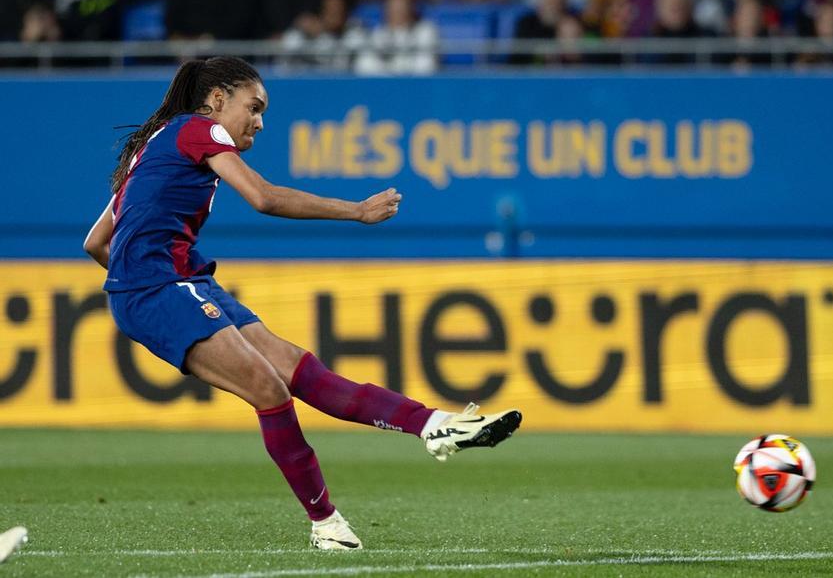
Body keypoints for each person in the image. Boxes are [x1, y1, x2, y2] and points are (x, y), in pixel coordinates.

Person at [82, 57, 521, 550]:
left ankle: (434, 425)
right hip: (162, 286)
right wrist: (356, 211)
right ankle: (326, 524)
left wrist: (145, 275)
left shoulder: (157, 146)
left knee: (301, 372)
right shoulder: (202, 130)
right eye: (255, 107)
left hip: (179, 282)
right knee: (269, 389)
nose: (261, 122)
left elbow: (97, 243)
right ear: (218, 98)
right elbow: (264, 198)